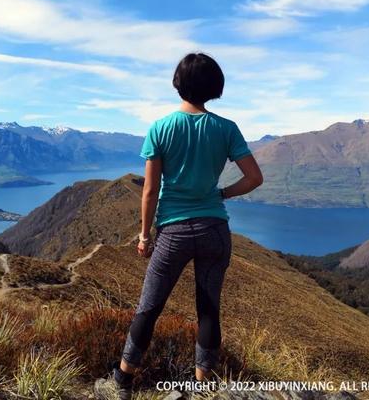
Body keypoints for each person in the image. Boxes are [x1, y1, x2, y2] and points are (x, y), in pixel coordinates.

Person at [95, 52, 263, 400]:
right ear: (215, 86)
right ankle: (204, 388)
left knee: (150, 306)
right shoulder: (226, 129)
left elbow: (151, 191)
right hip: (215, 230)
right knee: (208, 308)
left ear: (178, 84)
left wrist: (144, 236)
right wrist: (220, 193)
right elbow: (254, 178)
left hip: (172, 232)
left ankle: (122, 382)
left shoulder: (160, 128)